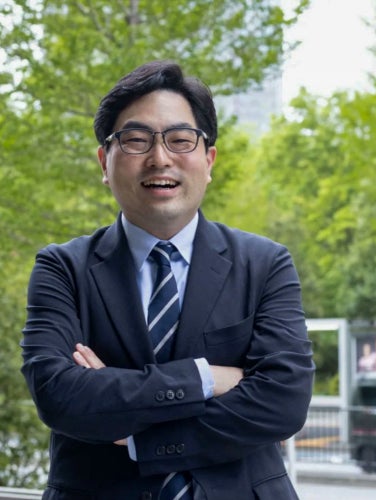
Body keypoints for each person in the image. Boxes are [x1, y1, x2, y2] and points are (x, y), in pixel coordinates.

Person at [20, 60, 314, 500]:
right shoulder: (62, 268)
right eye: (136, 140)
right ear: (104, 162)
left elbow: (283, 403)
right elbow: (59, 395)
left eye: (180, 140)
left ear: (208, 160)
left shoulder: (265, 264)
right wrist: (205, 378)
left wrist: (140, 436)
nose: (160, 158)